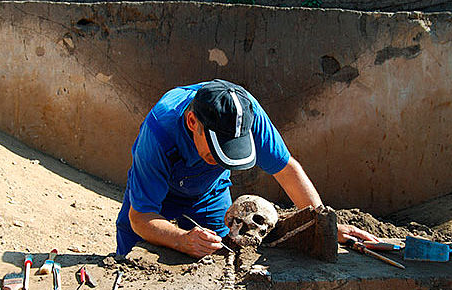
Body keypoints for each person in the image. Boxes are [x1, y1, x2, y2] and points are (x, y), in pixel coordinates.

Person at [116, 79, 378, 257]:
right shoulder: (159, 131)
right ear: (193, 121)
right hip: (154, 193)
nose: (221, 161)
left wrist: (322, 224)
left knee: (221, 257)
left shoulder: (247, 114)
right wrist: (180, 240)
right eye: (216, 151)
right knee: (130, 263)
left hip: (209, 193)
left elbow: (286, 170)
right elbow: (140, 216)